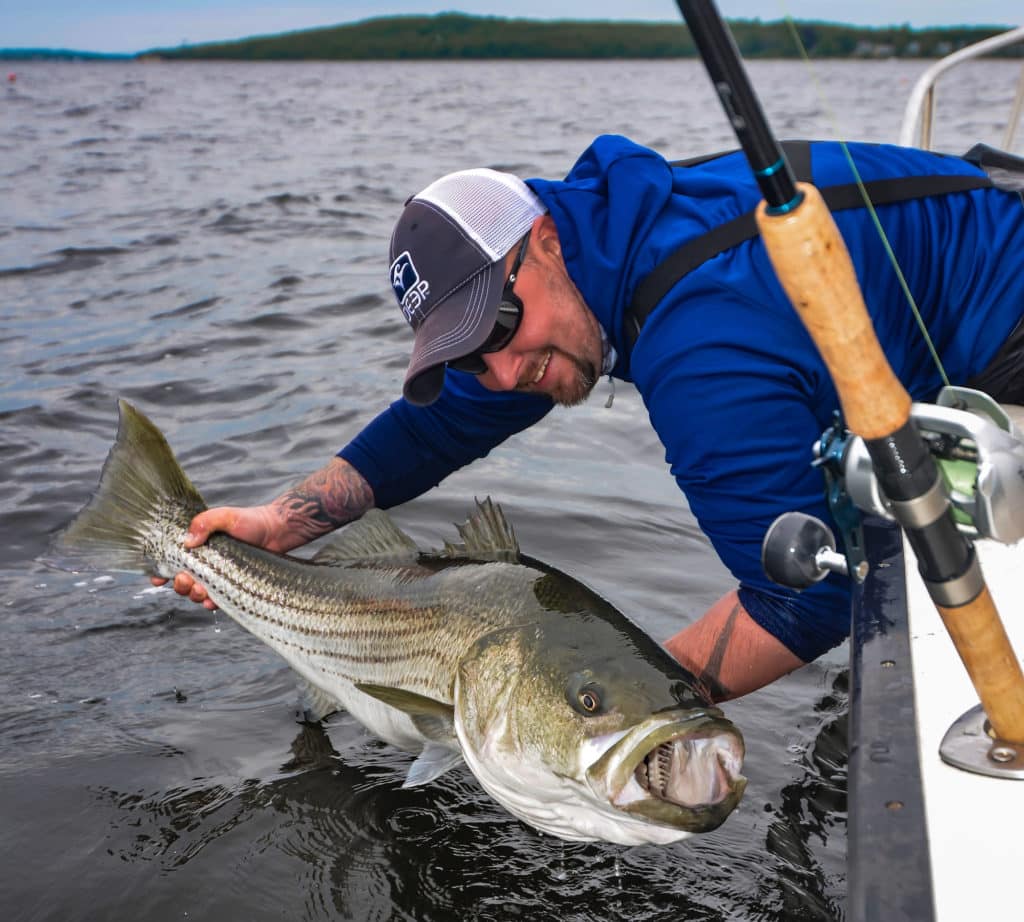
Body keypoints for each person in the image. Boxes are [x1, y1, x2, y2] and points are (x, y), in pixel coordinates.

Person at [155, 134, 1024, 701]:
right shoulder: (605, 239)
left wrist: (593, 717)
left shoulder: (696, 343)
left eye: (497, 324)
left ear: (543, 241)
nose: (501, 370)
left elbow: (811, 598)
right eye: (465, 353)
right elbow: (439, 425)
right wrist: (280, 519)